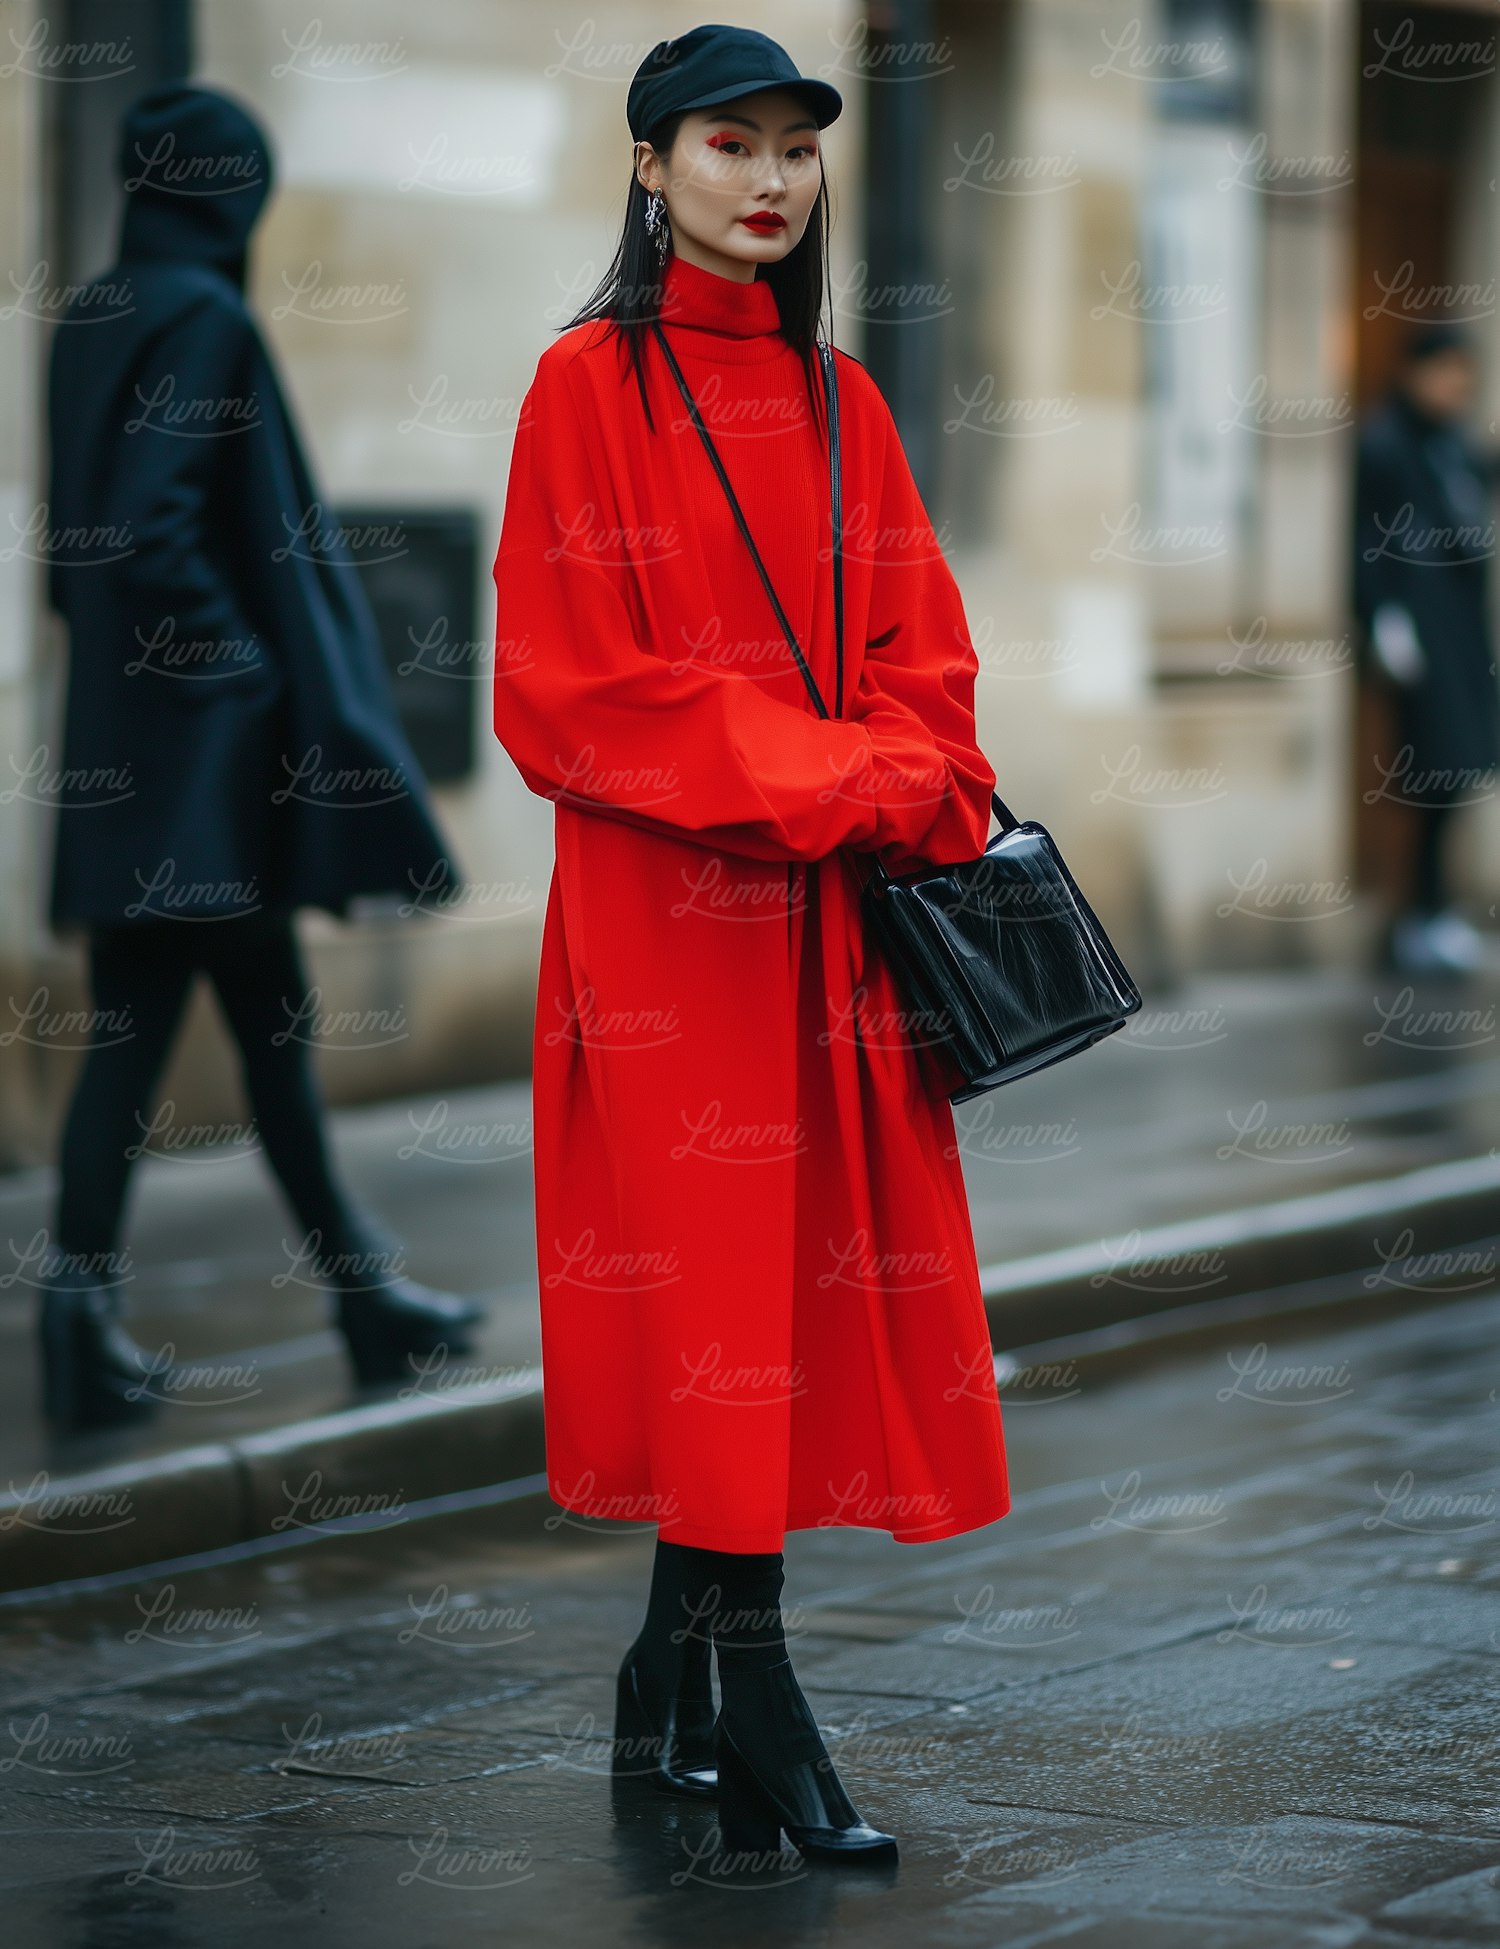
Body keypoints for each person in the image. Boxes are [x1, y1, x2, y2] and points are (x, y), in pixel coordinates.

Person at [491, 26, 1011, 1861]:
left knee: (774, 1307)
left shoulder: (848, 400)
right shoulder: (584, 387)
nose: (772, 179)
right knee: (716, 1295)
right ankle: (763, 1697)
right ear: (654, 170)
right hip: (667, 940)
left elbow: (928, 662)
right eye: (731, 143)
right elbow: (568, 694)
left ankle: (665, 1659)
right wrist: (841, 774)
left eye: (796, 147)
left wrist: (897, 770)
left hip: (833, 927)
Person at [41, 83, 483, 1433]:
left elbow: (80, 552)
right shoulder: (206, 317)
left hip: (141, 753)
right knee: (204, 1036)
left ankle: (343, 1297)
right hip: (204, 770)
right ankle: (139, 1314)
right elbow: (147, 529)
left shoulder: (98, 313)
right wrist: (235, 678)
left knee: (216, 1033)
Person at [1353, 321, 1500, 972]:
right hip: (1420, 634)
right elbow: (1362, 537)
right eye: (1447, 373)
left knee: (1458, 769)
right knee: (1430, 773)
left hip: (1458, 633)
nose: (1457, 388)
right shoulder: (1386, 443)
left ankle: (1435, 913)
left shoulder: (1448, 444)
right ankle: (1418, 915)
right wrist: (1383, 616)